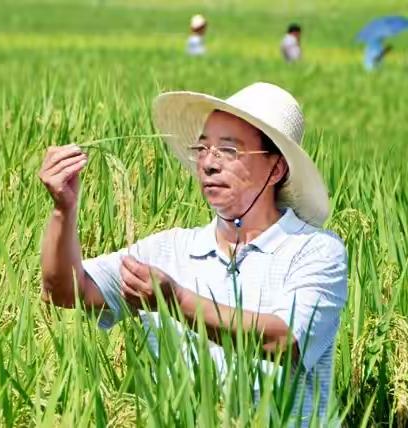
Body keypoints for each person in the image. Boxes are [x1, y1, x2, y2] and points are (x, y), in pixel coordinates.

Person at [39, 82, 347, 424]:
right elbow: (66, 291)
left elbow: (286, 341)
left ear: (276, 169)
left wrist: (177, 303)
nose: (209, 164)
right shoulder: (168, 250)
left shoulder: (315, 251)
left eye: (229, 151)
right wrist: (62, 210)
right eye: (202, 148)